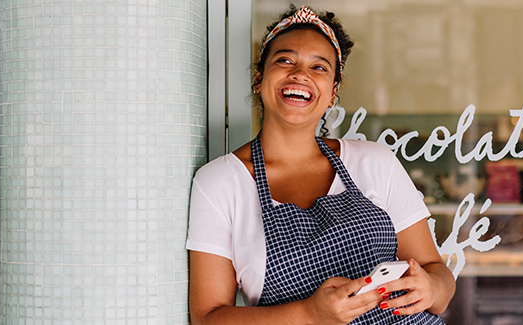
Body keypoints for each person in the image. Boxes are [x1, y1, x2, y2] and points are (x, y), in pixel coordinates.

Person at [186, 5, 455, 324]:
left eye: (319, 67)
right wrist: (308, 314)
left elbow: (438, 277)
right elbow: (208, 317)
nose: (300, 74)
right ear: (259, 78)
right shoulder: (219, 183)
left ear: (332, 93)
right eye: (285, 60)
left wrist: (432, 288)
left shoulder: (375, 162)